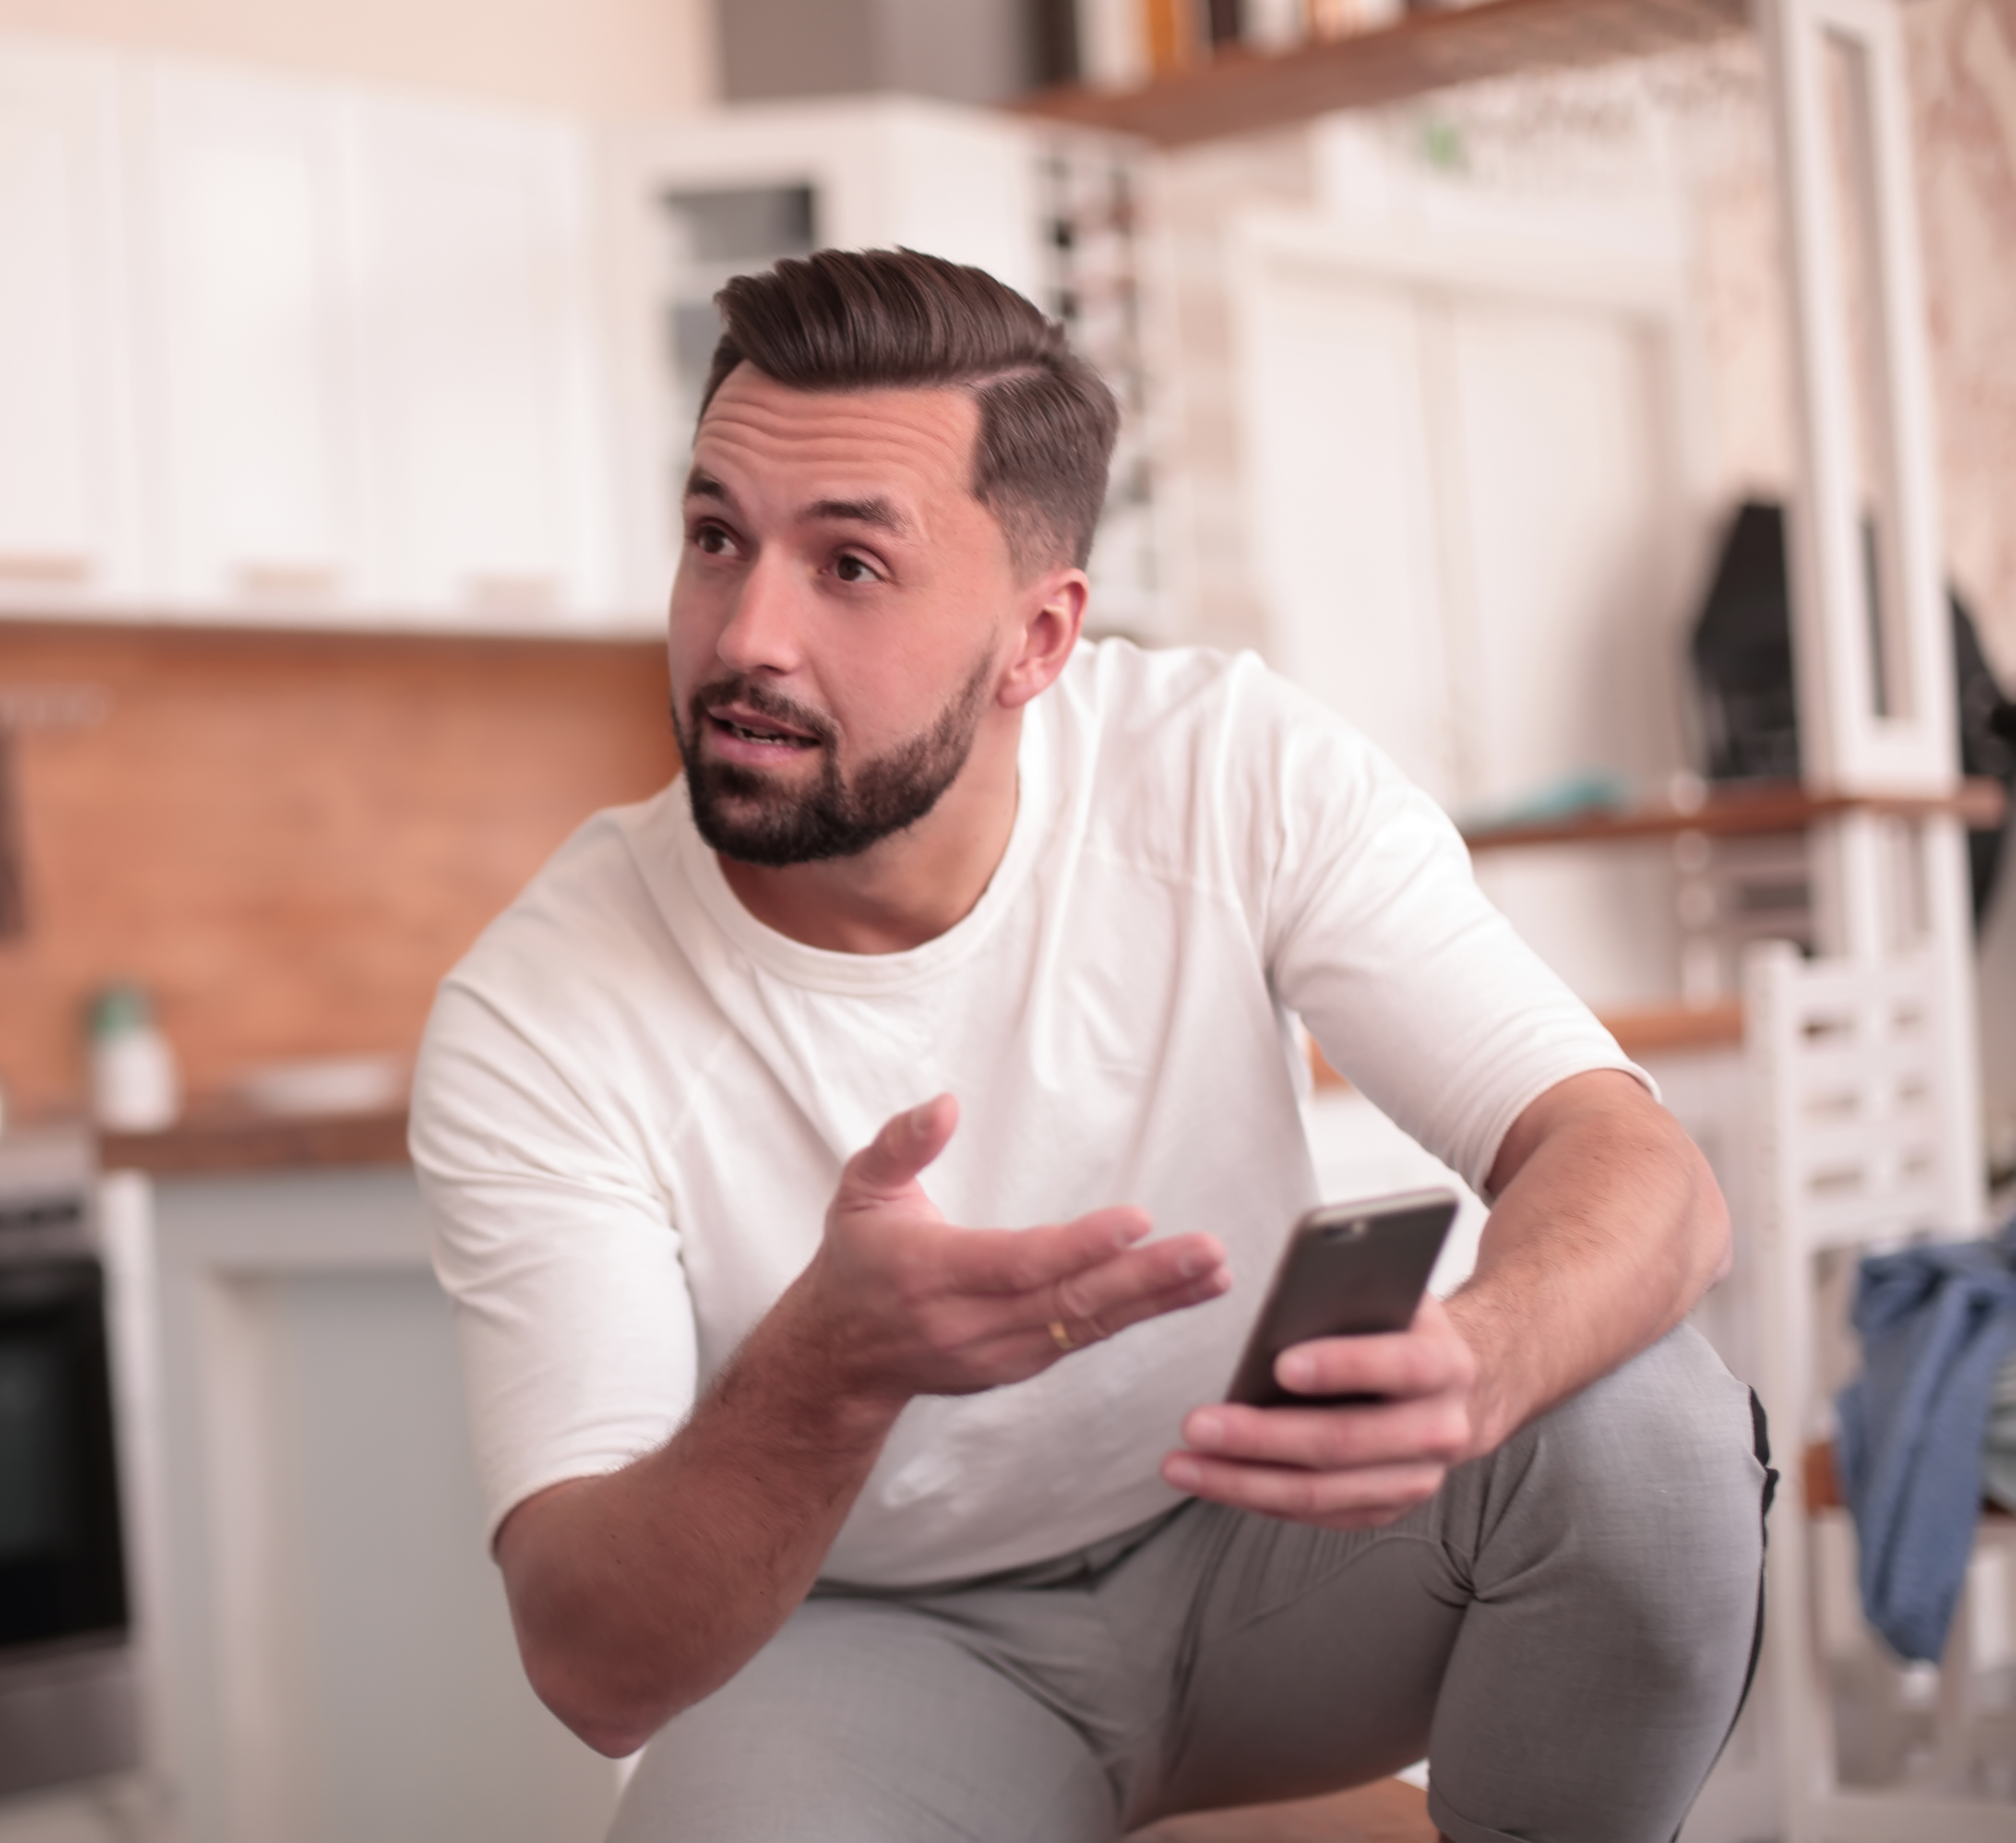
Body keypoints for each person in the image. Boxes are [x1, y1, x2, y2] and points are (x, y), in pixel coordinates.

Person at [410, 248, 1772, 1843]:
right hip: (886, 1641)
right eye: (717, 539)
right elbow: (593, 1664)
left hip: (1268, 1538)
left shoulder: (1221, 768)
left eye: (850, 566)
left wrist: (1480, 1362)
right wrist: (832, 1372)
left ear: (1038, 642)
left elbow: (1638, 1171)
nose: (745, 636)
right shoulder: (541, 1008)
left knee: (1652, 1437)